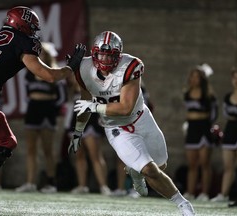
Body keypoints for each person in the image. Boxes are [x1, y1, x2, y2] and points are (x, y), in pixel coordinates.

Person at [0, 6, 85, 213]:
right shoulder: (24, 42)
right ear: (24, 25)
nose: (34, 32)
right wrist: (71, 68)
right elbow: (48, 75)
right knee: (5, 140)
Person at [68, 31, 195, 216]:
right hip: (116, 128)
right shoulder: (84, 69)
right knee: (150, 170)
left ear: (118, 56)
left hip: (141, 118)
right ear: (94, 53)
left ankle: (136, 173)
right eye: (100, 54)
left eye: (109, 55)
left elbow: (125, 108)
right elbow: (84, 104)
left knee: (161, 167)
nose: (104, 59)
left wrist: (94, 107)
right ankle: (183, 205)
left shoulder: (129, 66)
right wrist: (78, 131)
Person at [15, 42, 66, 193]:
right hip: (33, 110)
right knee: (31, 149)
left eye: (43, 53)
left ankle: (51, 183)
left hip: (47, 111)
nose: (40, 56)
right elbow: (26, 94)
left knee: (47, 149)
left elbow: (61, 98)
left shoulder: (54, 73)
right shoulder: (29, 73)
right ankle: (30, 182)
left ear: (49, 56)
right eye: (39, 53)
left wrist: (52, 107)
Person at [182, 64, 218, 201]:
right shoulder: (187, 93)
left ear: (202, 79)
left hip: (204, 130)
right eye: (192, 76)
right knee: (192, 164)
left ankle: (204, 193)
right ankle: (190, 192)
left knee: (205, 163)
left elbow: (214, 114)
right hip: (192, 130)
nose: (194, 79)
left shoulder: (208, 95)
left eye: (197, 77)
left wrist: (200, 117)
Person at [211, 67, 237, 204]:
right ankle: (223, 194)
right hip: (230, 130)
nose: (236, 81)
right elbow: (227, 114)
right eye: (234, 78)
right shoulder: (227, 97)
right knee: (228, 166)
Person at [70, 113, 111, 195]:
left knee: (95, 156)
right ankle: (82, 186)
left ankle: (104, 186)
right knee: (79, 155)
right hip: (77, 115)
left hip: (92, 115)